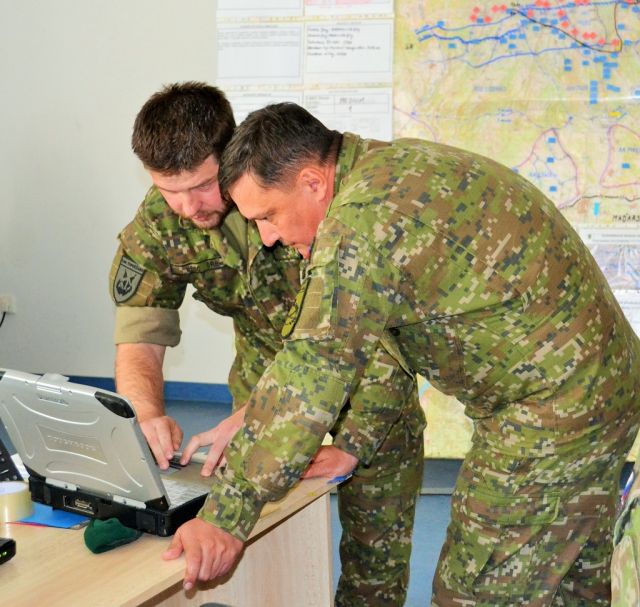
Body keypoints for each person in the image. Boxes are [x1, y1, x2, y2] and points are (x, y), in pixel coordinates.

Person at [173, 101, 640, 606]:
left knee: (475, 591)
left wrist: (225, 515)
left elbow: (315, 368)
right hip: (602, 385)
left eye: (268, 216)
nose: (268, 237)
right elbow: (379, 349)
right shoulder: (389, 168)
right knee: (572, 585)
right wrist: (353, 443)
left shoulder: (359, 224)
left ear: (312, 181)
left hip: (551, 412)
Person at [109, 83, 425, 606]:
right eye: (168, 190)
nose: (186, 207)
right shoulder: (162, 223)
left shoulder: (308, 198)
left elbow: (378, 337)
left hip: (370, 391)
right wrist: (145, 412)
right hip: (265, 400)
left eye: (203, 186)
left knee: (374, 566)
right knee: (265, 551)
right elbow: (141, 325)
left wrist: (338, 436)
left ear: (232, 154)